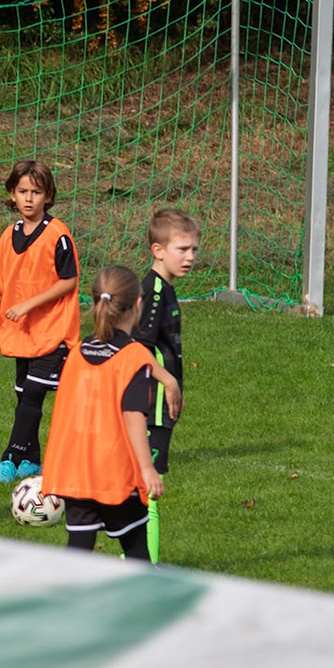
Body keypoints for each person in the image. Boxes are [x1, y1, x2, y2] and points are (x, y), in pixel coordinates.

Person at [0, 160, 81, 484]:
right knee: (23, 396)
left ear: (48, 196)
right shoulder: (9, 235)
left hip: (53, 330)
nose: (29, 198)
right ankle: (31, 460)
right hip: (23, 333)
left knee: (32, 395)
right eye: (23, 191)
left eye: (36, 192)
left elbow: (69, 280)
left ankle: (10, 458)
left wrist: (29, 303)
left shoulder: (57, 235)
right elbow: (6, 278)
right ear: (12, 194)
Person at [40, 265, 165, 559]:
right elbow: (133, 415)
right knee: (136, 551)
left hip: (75, 470)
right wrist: (147, 469)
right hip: (114, 472)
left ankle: (66, 590)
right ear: (137, 305)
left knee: (79, 550)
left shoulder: (77, 352)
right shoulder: (134, 356)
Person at [134, 208, 196, 563]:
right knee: (148, 489)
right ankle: (145, 565)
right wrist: (169, 381)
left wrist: (176, 388)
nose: (190, 257)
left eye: (193, 250)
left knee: (143, 488)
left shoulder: (165, 289)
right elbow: (138, 349)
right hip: (150, 405)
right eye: (182, 249)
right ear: (158, 250)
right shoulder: (153, 292)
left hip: (162, 403)